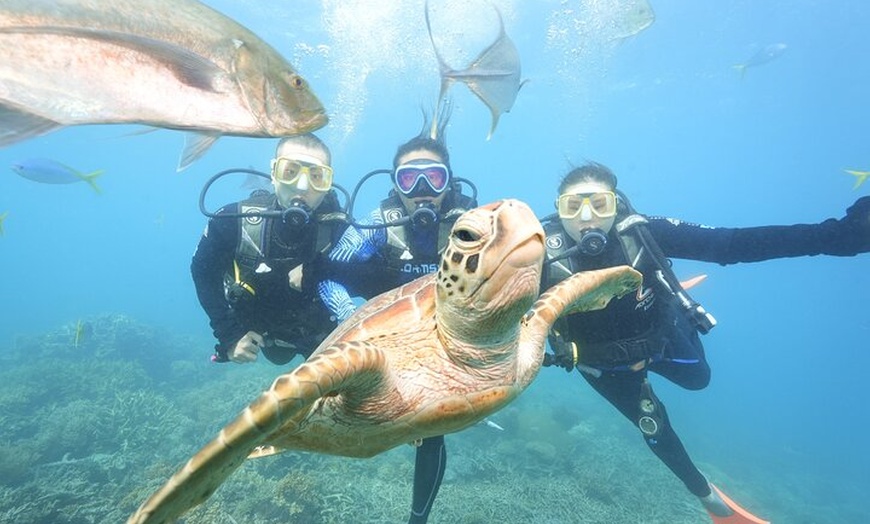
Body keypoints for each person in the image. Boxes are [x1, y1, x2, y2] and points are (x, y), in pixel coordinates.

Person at [541, 162, 870, 523]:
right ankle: (707, 497)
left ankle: (674, 300)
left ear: (617, 204)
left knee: (699, 380)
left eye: (599, 204)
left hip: (659, 335)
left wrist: (840, 235)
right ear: (558, 209)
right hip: (601, 363)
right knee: (655, 428)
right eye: (572, 207)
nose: (586, 219)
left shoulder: (641, 232)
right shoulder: (539, 254)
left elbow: (730, 245)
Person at [318, 121, 478, 524]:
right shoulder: (377, 223)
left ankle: (417, 520)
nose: (422, 188)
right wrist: (353, 320)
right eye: (409, 178)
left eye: (433, 176)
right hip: (388, 338)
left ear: (449, 183)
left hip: (447, 342)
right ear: (396, 185)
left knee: (434, 424)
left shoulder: (475, 226)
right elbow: (328, 275)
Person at [191, 133, 347, 365]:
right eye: (290, 171)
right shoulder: (232, 221)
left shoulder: (339, 229)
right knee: (278, 357)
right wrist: (229, 335)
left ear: (328, 185)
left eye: (317, 176)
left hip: (320, 336)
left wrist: (321, 269)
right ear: (273, 174)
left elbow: (368, 277)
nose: (302, 186)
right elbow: (202, 271)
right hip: (263, 336)